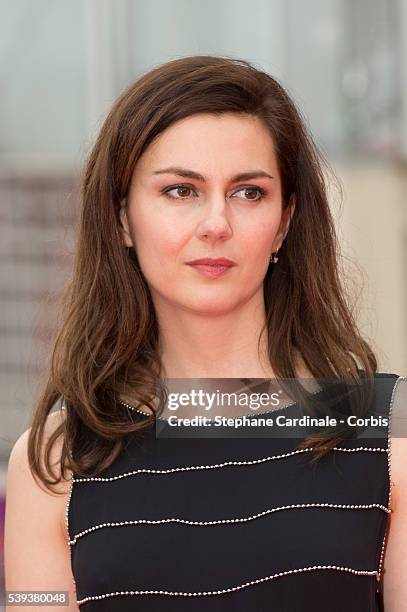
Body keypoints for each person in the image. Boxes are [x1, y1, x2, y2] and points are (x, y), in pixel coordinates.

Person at [4, 54, 407, 612]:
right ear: (122, 217)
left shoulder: (390, 433)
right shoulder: (50, 463)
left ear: (284, 222)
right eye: (180, 191)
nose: (216, 224)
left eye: (248, 192)